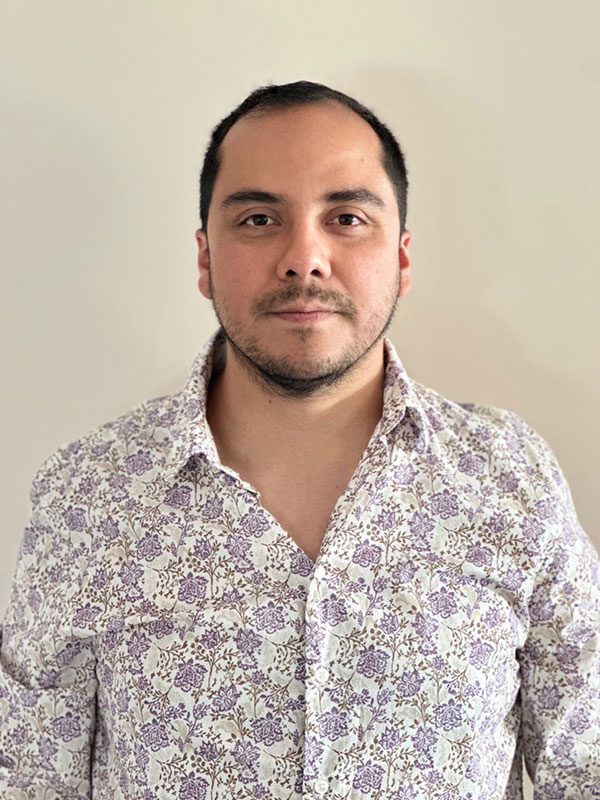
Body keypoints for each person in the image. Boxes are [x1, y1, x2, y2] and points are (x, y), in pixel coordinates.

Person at [0, 81, 598, 800]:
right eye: (258, 218)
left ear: (402, 257)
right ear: (204, 258)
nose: (303, 258)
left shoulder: (510, 478)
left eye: (346, 218)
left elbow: (585, 762)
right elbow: (30, 779)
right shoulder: (90, 494)